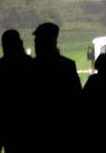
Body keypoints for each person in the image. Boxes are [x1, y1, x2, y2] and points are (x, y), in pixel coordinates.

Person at [30, 22, 81, 153]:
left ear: (50, 42)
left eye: (38, 41)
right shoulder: (68, 66)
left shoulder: (31, 67)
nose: (35, 45)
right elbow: (76, 100)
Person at [0, 29, 33, 153]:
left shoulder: (0, 65)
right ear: (20, 43)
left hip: (2, 121)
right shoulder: (29, 64)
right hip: (24, 123)